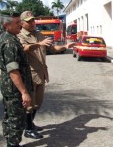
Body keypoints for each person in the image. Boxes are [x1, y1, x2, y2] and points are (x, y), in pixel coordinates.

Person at [17, 11, 75, 139]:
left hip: (41, 74)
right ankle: (27, 129)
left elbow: (52, 49)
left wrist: (65, 46)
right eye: (29, 21)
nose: (32, 23)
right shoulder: (20, 35)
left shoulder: (39, 34)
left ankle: (30, 124)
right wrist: (39, 44)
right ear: (22, 23)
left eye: (33, 20)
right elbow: (24, 48)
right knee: (29, 104)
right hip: (29, 76)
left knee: (38, 103)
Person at [0, 12, 34, 147]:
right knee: (16, 118)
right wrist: (24, 92)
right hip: (14, 88)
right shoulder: (10, 42)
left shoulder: (7, 38)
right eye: (17, 23)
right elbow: (13, 70)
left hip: (9, 86)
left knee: (10, 116)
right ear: (6, 25)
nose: (20, 25)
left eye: (20, 22)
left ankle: (13, 145)